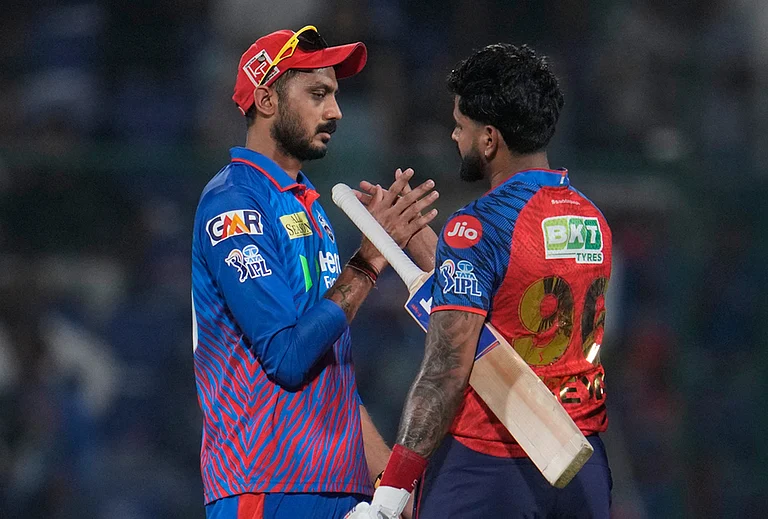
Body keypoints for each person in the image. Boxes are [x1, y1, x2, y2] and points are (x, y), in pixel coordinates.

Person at [346, 43, 613, 518]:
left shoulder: (481, 225)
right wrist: (420, 242)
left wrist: (388, 498)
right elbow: (503, 296)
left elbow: (445, 372)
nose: (453, 136)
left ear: (489, 139)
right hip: (579, 465)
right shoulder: (591, 219)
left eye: (459, 126)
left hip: (489, 468)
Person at [191, 26, 439, 519]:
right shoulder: (234, 205)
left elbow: (332, 372)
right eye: (318, 94)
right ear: (266, 100)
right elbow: (287, 354)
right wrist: (369, 261)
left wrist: (389, 479)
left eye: (335, 96)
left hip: (335, 486)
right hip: (264, 485)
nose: (335, 112)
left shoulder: (308, 207)